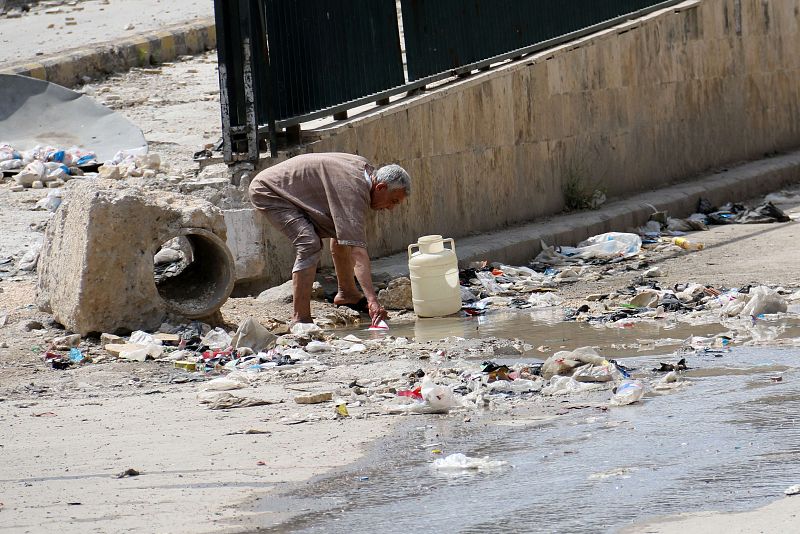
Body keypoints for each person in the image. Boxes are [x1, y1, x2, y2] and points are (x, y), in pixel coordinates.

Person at [248, 152, 411, 326]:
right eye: (393, 201)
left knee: (343, 232)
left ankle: (347, 294)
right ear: (380, 187)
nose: (391, 208)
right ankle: (301, 319)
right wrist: (372, 300)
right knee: (309, 244)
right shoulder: (354, 191)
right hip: (269, 190)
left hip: (292, 190)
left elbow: (346, 235)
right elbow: (358, 254)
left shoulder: (364, 172)